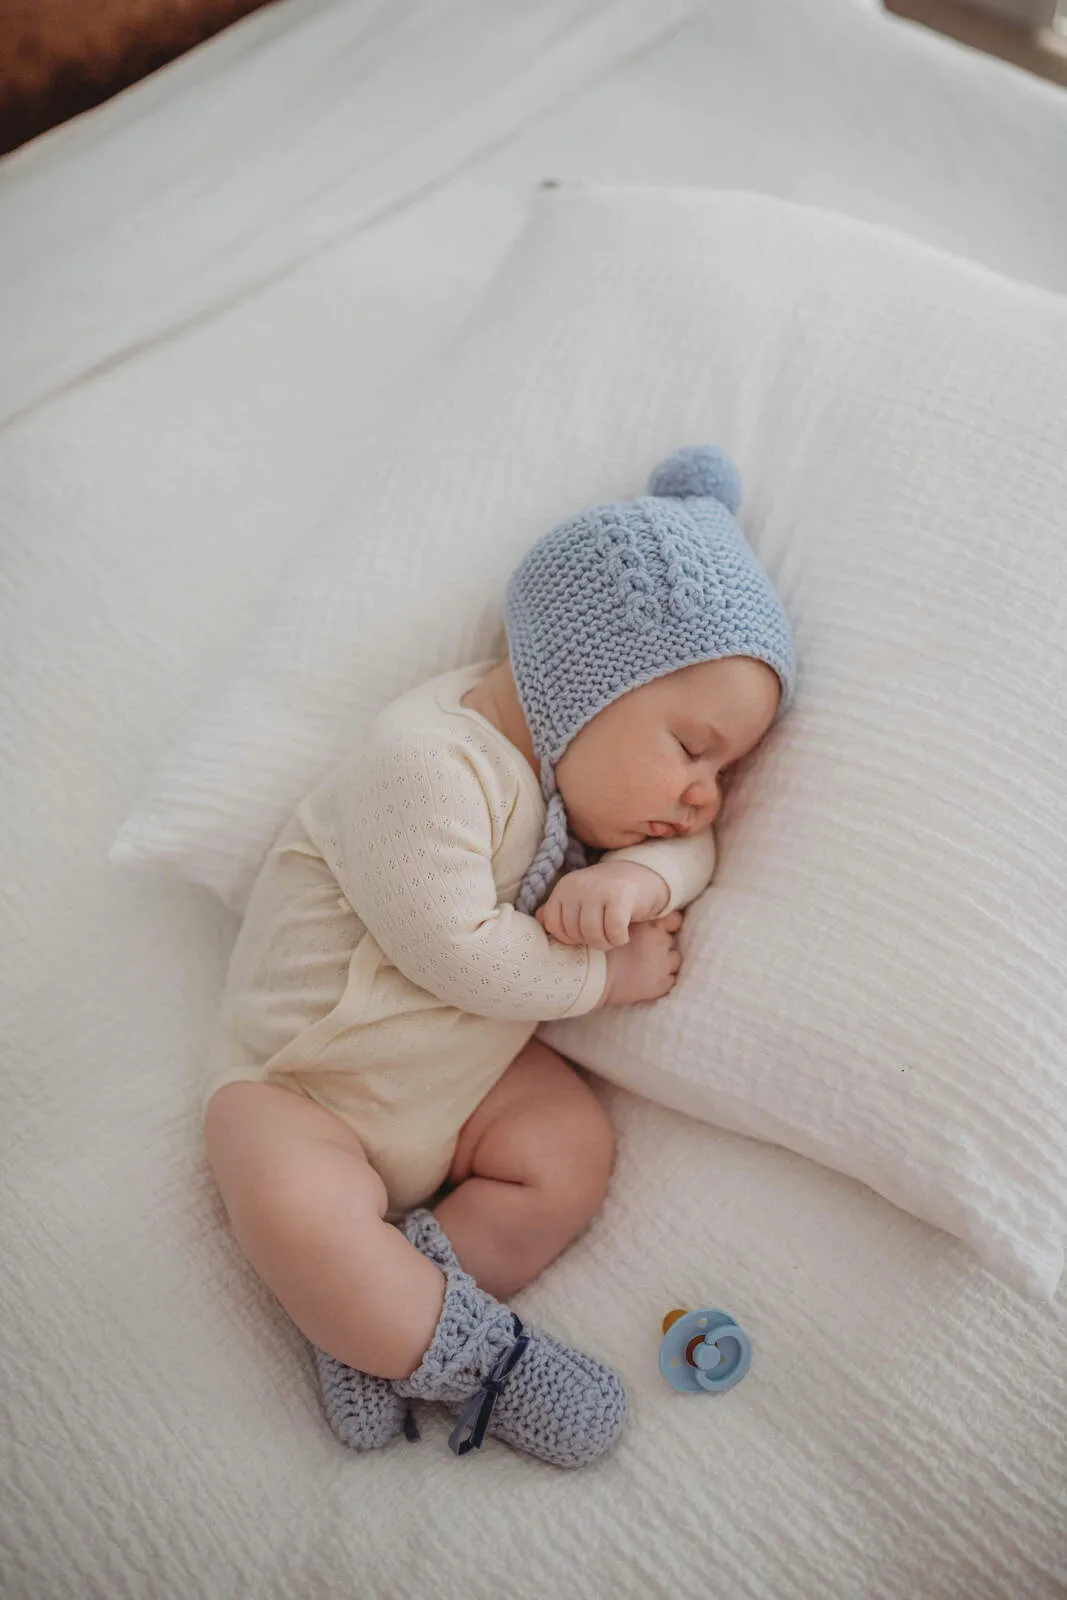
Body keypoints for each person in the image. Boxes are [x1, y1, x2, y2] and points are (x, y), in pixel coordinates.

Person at [201, 445, 795, 1468]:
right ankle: (477, 1361)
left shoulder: (584, 790)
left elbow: (692, 846)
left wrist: (641, 880)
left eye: (726, 770)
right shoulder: (422, 760)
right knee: (289, 1200)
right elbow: (458, 955)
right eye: (694, 748)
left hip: (463, 1079)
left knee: (567, 1149)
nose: (705, 795)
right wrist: (602, 976)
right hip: (305, 1085)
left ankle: (389, 1310)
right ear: (590, 678)